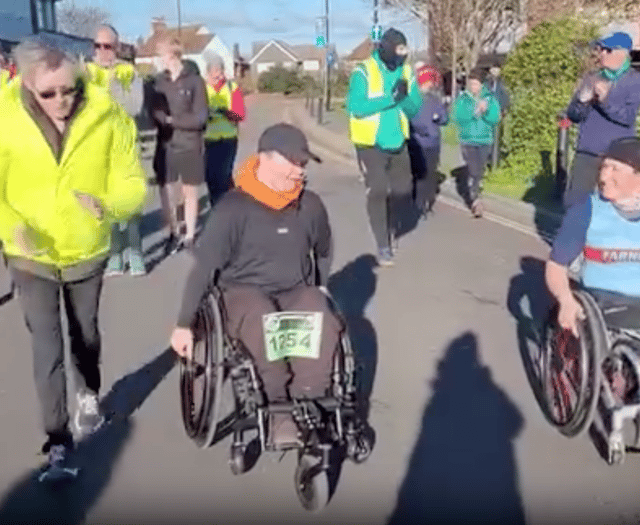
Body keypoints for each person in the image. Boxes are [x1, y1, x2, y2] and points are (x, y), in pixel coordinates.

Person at [0, 36, 147, 482]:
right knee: (47, 345)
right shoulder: (4, 120)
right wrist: (12, 228)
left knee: (84, 333)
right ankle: (57, 440)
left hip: (87, 249)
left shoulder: (108, 116)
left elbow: (132, 182)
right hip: (31, 254)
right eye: (49, 93)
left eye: (69, 89)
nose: (62, 100)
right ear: (26, 85)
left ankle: (89, 392)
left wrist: (110, 204)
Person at [170, 124, 342, 446]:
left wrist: (320, 286)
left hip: (294, 288)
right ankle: (278, 409)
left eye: (303, 164)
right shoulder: (233, 208)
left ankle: (309, 400)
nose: (300, 172)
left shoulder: (311, 206)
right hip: (242, 292)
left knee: (320, 314)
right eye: (293, 163)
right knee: (263, 320)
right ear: (265, 160)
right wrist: (184, 324)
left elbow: (323, 250)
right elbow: (204, 267)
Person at [547, 137, 640, 340]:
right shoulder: (586, 210)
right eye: (604, 167)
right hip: (604, 304)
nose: (604, 176)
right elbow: (556, 265)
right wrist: (566, 300)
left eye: (615, 169)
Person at [347, 28, 422, 267]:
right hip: (370, 143)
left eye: (404, 50)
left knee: (402, 191)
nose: (402, 56)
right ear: (387, 48)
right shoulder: (364, 71)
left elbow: (413, 109)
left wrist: (404, 98)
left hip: (397, 141)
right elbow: (356, 106)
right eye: (398, 50)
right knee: (378, 190)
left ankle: (389, 222)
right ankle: (383, 244)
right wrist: (391, 98)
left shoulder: (407, 71)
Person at [86, 24, 147, 276]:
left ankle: (135, 253)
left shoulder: (128, 72)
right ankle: (114, 256)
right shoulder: (85, 72)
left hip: (125, 149)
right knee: (105, 204)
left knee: (129, 203)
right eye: (97, 46)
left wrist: (114, 85)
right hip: (97, 148)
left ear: (117, 47)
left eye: (107, 46)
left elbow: (134, 107)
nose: (102, 51)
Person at [563, 32, 640, 209]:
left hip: (616, 157)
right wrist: (582, 100)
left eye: (607, 50)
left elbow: (627, 117)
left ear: (622, 53)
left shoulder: (635, 81)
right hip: (587, 152)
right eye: (600, 49)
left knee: (611, 208)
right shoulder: (592, 77)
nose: (602, 54)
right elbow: (573, 115)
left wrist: (605, 99)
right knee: (574, 205)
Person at [150, 37, 208, 254]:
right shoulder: (158, 82)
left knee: (189, 192)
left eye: (160, 55)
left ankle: (190, 234)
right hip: (165, 144)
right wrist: (161, 119)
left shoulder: (194, 81)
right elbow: (153, 111)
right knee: (166, 192)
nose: (158, 60)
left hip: (189, 144)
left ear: (172, 55)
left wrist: (173, 121)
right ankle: (174, 232)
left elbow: (200, 118)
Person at [451, 68, 500, 218]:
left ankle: (475, 193)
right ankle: (475, 200)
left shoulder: (489, 99)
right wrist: (473, 112)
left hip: (485, 139)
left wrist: (486, 111)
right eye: (471, 84)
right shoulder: (463, 99)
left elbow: (495, 118)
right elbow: (457, 117)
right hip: (468, 140)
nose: (474, 87)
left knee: (479, 170)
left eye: (476, 84)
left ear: (482, 85)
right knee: (473, 170)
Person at [203, 51, 246, 207]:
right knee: (210, 176)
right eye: (214, 75)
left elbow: (240, 115)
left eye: (219, 73)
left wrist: (226, 113)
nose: (217, 78)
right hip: (208, 139)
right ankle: (218, 205)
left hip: (228, 138)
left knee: (223, 175)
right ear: (207, 74)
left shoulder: (231, 87)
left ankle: (225, 208)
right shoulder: (202, 89)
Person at [408, 65, 448, 217]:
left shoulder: (435, 101)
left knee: (430, 174)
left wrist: (440, 117)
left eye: (430, 82)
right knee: (418, 174)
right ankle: (417, 202)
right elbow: (409, 119)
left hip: (433, 143)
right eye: (426, 82)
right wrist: (419, 129)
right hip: (417, 143)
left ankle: (426, 204)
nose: (429, 85)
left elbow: (445, 119)